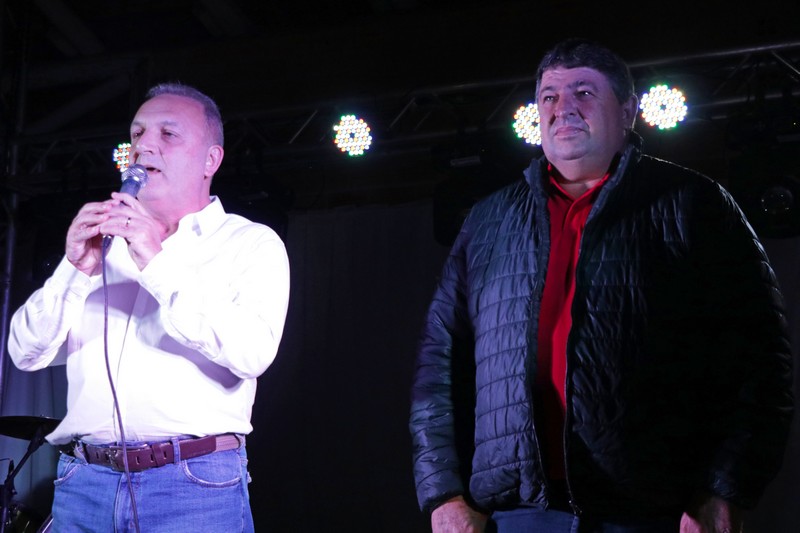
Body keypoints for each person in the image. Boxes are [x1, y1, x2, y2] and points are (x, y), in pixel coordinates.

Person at [409, 38, 793, 533]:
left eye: (584, 92)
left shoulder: (695, 204)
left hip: (653, 513)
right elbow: (438, 367)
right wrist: (443, 495)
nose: (563, 108)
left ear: (628, 111)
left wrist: (725, 490)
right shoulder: (487, 222)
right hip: (516, 516)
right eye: (549, 96)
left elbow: (760, 359)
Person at [8, 82, 290, 532]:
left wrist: (156, 260)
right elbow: (25, 353)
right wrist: (73, 268)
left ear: (211, 160)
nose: (143, 146)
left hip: (192, 485)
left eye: (168, 134)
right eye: (137, 133)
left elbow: (252, 353)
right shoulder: (103, 247)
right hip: (84, 482)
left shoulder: (249, 243)